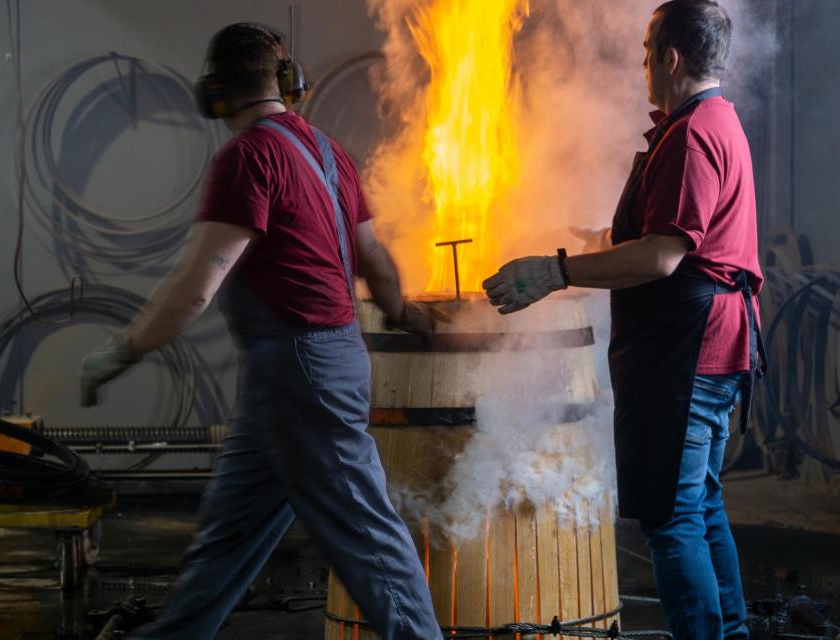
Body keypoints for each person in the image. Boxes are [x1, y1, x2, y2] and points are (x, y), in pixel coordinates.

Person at [80, 22, 443, 640]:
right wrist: (404, 313)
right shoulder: (329, 154)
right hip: (312, 365)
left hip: (301, 370)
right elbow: (374, 260)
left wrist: (122, 352)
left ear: (215, 93)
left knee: (366, 533)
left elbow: (197, 286)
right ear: (288, 83)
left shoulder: (246, 158)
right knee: (229, 536)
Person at [483, 2, 763, 638]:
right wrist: (600, 239)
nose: (641, 65)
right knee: (701, 506)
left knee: (672, 521)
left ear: (670, 58)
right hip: (710, 351)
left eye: (645, 52)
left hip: (688, 355)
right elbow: (675, 231)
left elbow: (664, 256)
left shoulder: (692, 135)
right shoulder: (716, 121)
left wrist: (556, 272)